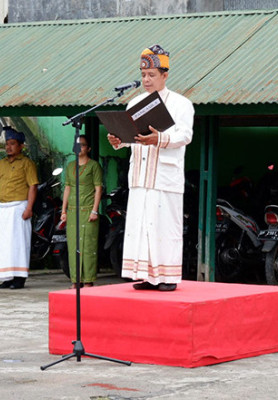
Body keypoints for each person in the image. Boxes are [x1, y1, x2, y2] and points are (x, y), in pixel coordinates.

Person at [107, 44, 194, 291]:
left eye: (152, 75)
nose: (146, 79)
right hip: (140, 177)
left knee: (164, 228)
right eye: (143, 75)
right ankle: (145, 275)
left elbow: (185, 135)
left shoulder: (181, 104)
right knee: (140, 225)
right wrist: (118, 140)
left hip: (164, 177)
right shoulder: (134, 102)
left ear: (165, 75)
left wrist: (159, 139)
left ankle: (167, 277)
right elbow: (131, 137)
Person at [0, 126, 39, 289]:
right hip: (3, 208)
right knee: (4, 244)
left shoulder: (27, 163)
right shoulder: (0, 164)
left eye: (12, 143)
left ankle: (19, 278)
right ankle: (7, 277)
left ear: (21, 146)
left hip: (19, 207)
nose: (8, 147)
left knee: (19, 243)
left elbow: (33, 186)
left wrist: (29, 208)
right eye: (7, 144)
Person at [60, 135, 103, 288]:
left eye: (83, 145)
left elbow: (98, 189)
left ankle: (88, 280)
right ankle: (75, 280)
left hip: (88, 211)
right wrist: (63, 210)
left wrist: (94, 211)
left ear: (88, 148)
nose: (79, 148)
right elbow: (67, 188)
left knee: (88, 246)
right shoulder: (70, 166)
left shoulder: (94, 166)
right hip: (72, 212)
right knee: (73, 247)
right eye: (77, 145)